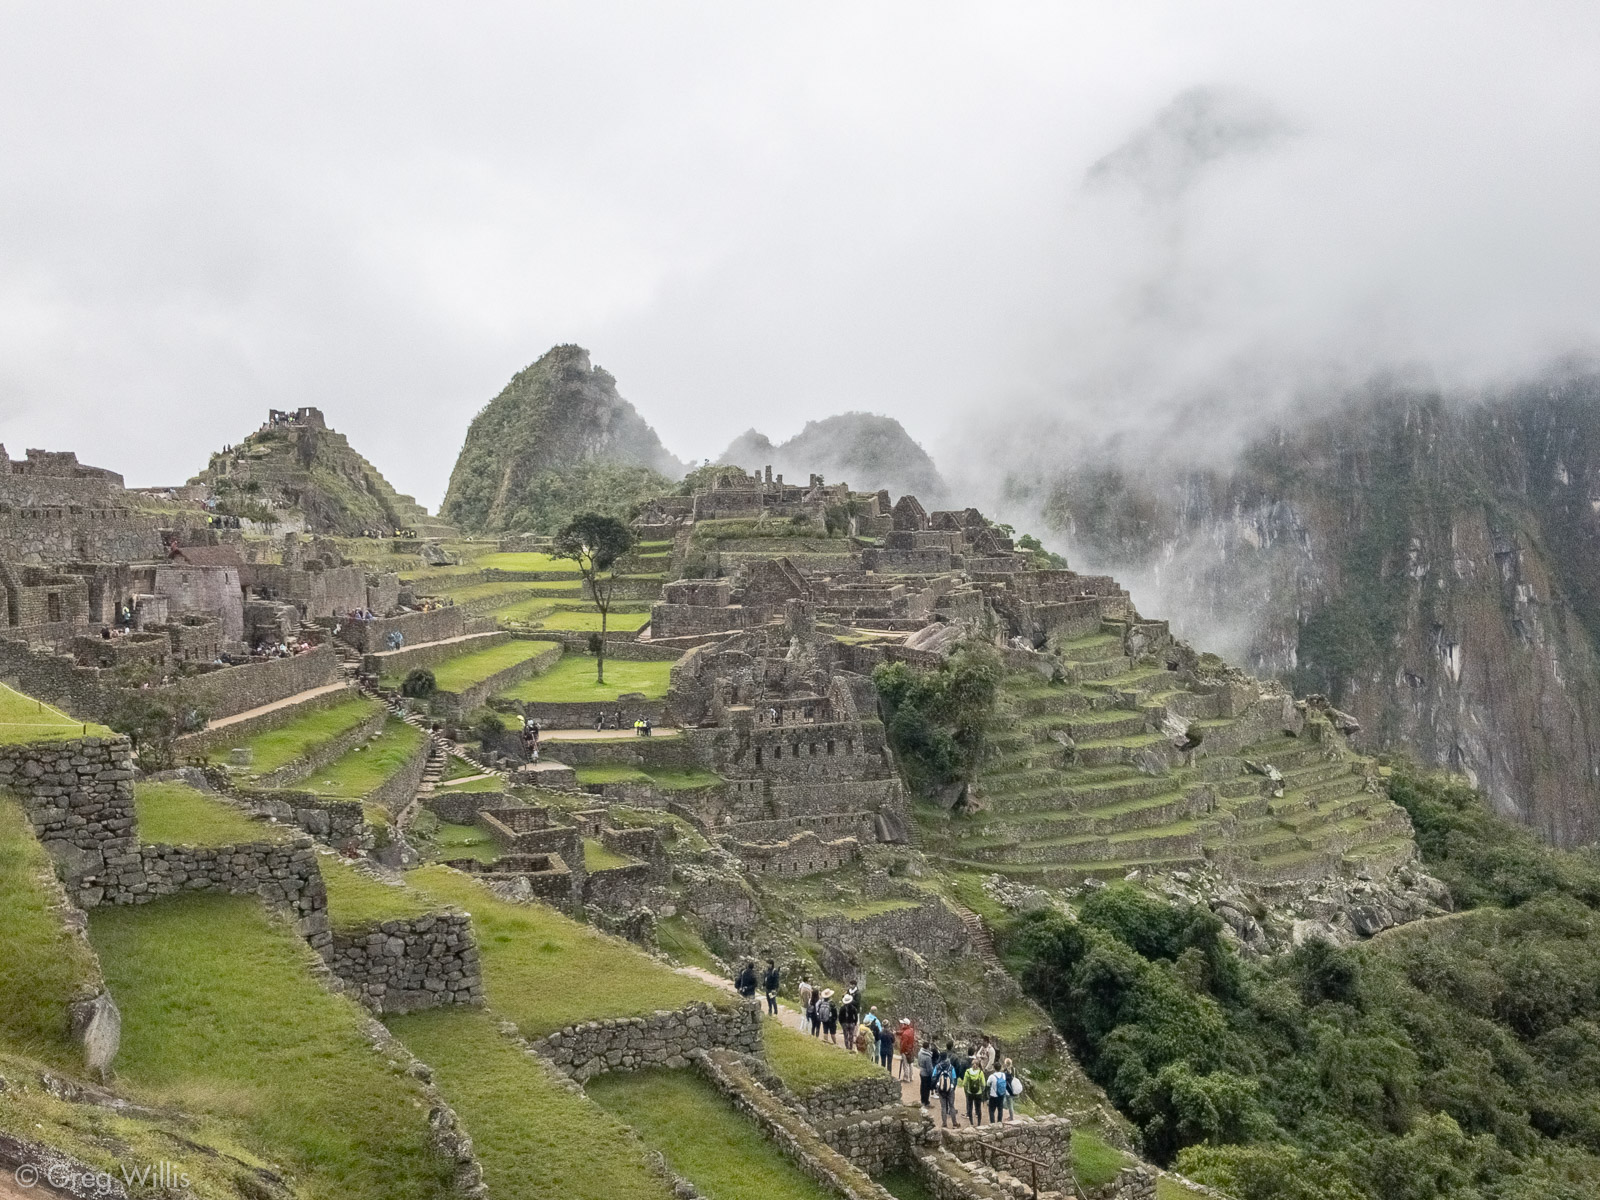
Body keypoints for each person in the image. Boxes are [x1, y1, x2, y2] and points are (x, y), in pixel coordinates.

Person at [934, 1052, 959, 1127]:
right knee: (952, 1106)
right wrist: (953, 1087)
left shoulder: (937, 1066)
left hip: (941, 1089)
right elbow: (954, 1078)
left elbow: (933, 1076)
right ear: (946, 1057)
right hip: (950, 1089)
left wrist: (937, 1087)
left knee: (943, 1107)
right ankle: (954, 1123)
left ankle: (944, 1123)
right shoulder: (951, 1067)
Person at [962, 1058, 988, 1126]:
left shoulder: (967, 1072)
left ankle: (971, 1123)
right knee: (978, 1108)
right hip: (978, 1093)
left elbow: (964, 1083)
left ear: (971, 1065)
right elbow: (983, 1084)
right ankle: (979, 1123)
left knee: (970, 1107)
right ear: (978, 1065)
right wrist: (982, 1090)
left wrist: (967, 1089)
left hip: (970, 1092)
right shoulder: (980, 1073)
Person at [896, 1018, 916, 1082]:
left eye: (903, 1024)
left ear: (906, 1025)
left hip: (905, 1050)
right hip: (911, 1049)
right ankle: (911, 1077)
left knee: (906, 1064)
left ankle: (906, 1078)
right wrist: (897, 1032)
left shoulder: (905, 1034)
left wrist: (902, 1051)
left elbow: (903, 1044)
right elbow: (902, 1031)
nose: (902, 1025)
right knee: (911, 1063)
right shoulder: (911, 1030)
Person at [917, 1040, 935, 1108]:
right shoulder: (928, 1057)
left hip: (921, 1071)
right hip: (926, 1074)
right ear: (927, 1047)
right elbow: (929, 1068)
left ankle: (922, 1100)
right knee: (927, 1088)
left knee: (922, 1087)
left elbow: (918, 1062)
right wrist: (932, 1075)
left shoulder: (920, 1053)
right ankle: (926, 1102)